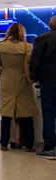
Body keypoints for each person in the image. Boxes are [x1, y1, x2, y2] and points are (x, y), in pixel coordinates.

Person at [0, 23, 39, 153]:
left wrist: (4, 75)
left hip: (7, 81)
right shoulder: (28, 47)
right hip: (24, 82)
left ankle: (4, 143)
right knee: (27, 114)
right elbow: (33, 66)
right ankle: (29, 144)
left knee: (6, 114)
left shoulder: (0, 46)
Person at [29, 16, 56, 159]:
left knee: (49, 115)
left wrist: (34, 77)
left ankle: (50, 148)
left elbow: (35, 61)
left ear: (50, 25)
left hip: (49, 81)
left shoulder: (43, 39)